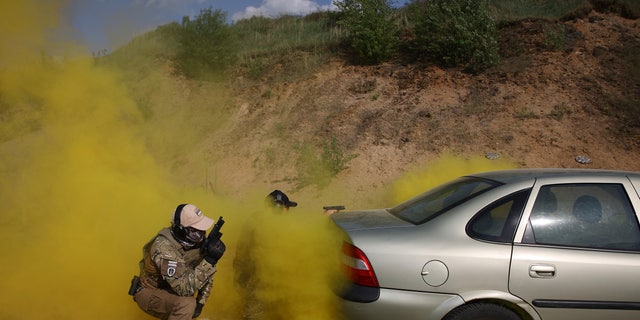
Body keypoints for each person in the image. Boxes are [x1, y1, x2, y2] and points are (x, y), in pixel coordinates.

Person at [131, 204, 226, 320]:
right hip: (150, 292)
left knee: (190, 302)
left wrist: (201, 302)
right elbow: (183, 289)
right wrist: (209, 261)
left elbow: (206, 276)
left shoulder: (196, 243)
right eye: (194, 231)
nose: (200, 236)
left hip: (172, 289)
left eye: (202, 230)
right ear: (180, 230)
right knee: (186, 304)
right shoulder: (164, 248)